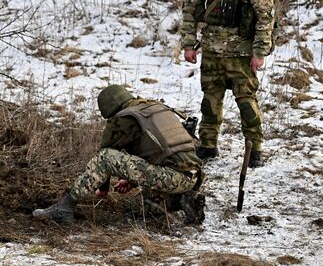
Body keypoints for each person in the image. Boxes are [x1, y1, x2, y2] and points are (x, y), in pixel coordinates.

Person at [32, 85, 205, 225]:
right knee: (139, 208)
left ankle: (64, 208)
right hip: (191, 177)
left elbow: (104, 156)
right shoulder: (156, 108)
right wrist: (132, 179)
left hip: (171, 176)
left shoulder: (124, 118)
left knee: (106, 157)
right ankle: (184, 199)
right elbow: (166, 150)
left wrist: (104, 186)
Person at [180, 0, 275, 168]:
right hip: (212, 52)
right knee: (210, 100)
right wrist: (188, 44)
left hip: (241, 55)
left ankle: (254, 149)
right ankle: (208, 145)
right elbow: (189, 12)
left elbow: (266, 19)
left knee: (246, 101)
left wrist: (259, 52)